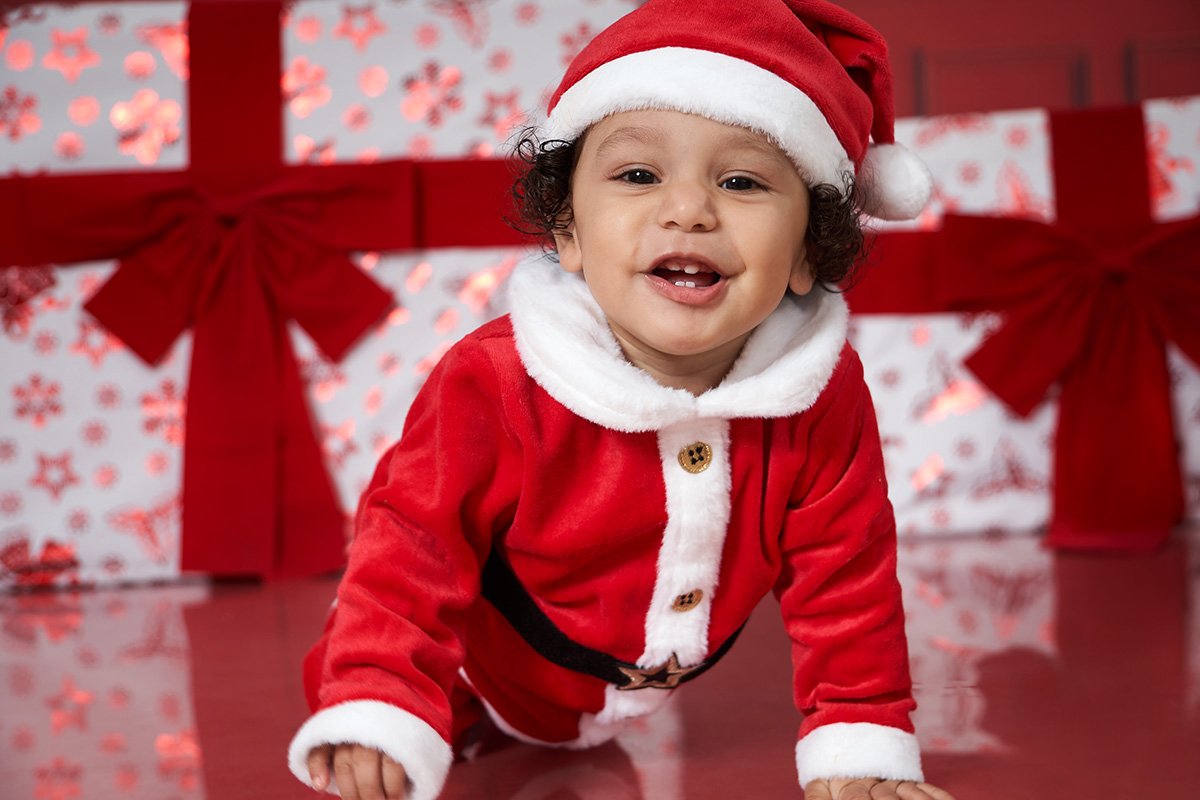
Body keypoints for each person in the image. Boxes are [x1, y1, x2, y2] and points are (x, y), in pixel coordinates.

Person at [287, 1, 955, 799]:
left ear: (810, 251)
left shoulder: (821, 396)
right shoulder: (496, 379)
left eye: (740, 181)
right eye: (638, 175)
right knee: (384, 730)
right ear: (566, 230)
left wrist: (860, 746)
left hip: (619, 697)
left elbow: (847, 578)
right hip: (472, 661)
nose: (688, 210)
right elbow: (411, 545)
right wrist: (376, 699)